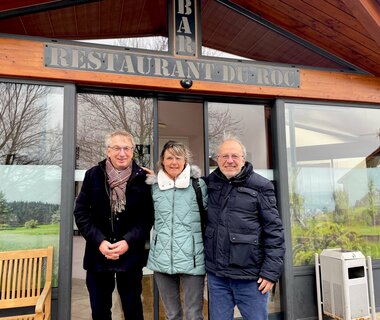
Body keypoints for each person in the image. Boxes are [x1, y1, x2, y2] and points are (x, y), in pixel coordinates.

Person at [73, 130, 154, 320]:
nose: (122, 153)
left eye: (126, 148)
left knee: (133, 310)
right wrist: (100, 242)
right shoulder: (93, 175)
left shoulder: (143, 178)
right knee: (100, 312)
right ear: (108, 151)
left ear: (133, 151)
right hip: (98, 256)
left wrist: (127, 242)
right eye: (117, 148)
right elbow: (81, 213)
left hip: (131, 257)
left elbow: (146, 218)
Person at [204, 136, 285, 320]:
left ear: (243, 159)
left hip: (251, 278)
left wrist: (270, 273)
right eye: (224, 156)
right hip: (218, 277)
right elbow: (184, 186)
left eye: (234, 156)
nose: (229, 160)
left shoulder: (261, 186)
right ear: (217, 159)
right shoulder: (210, 183)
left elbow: (274, 233)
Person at [145, 141, 207, 320]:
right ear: (162, 161)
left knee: (194, 314)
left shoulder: (199, 186)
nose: (174, 162)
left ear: (185, 160)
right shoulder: (154, 188)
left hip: (193, 260)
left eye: (178, 158)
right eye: (169, 158)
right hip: (162, 259)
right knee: (172, 314)